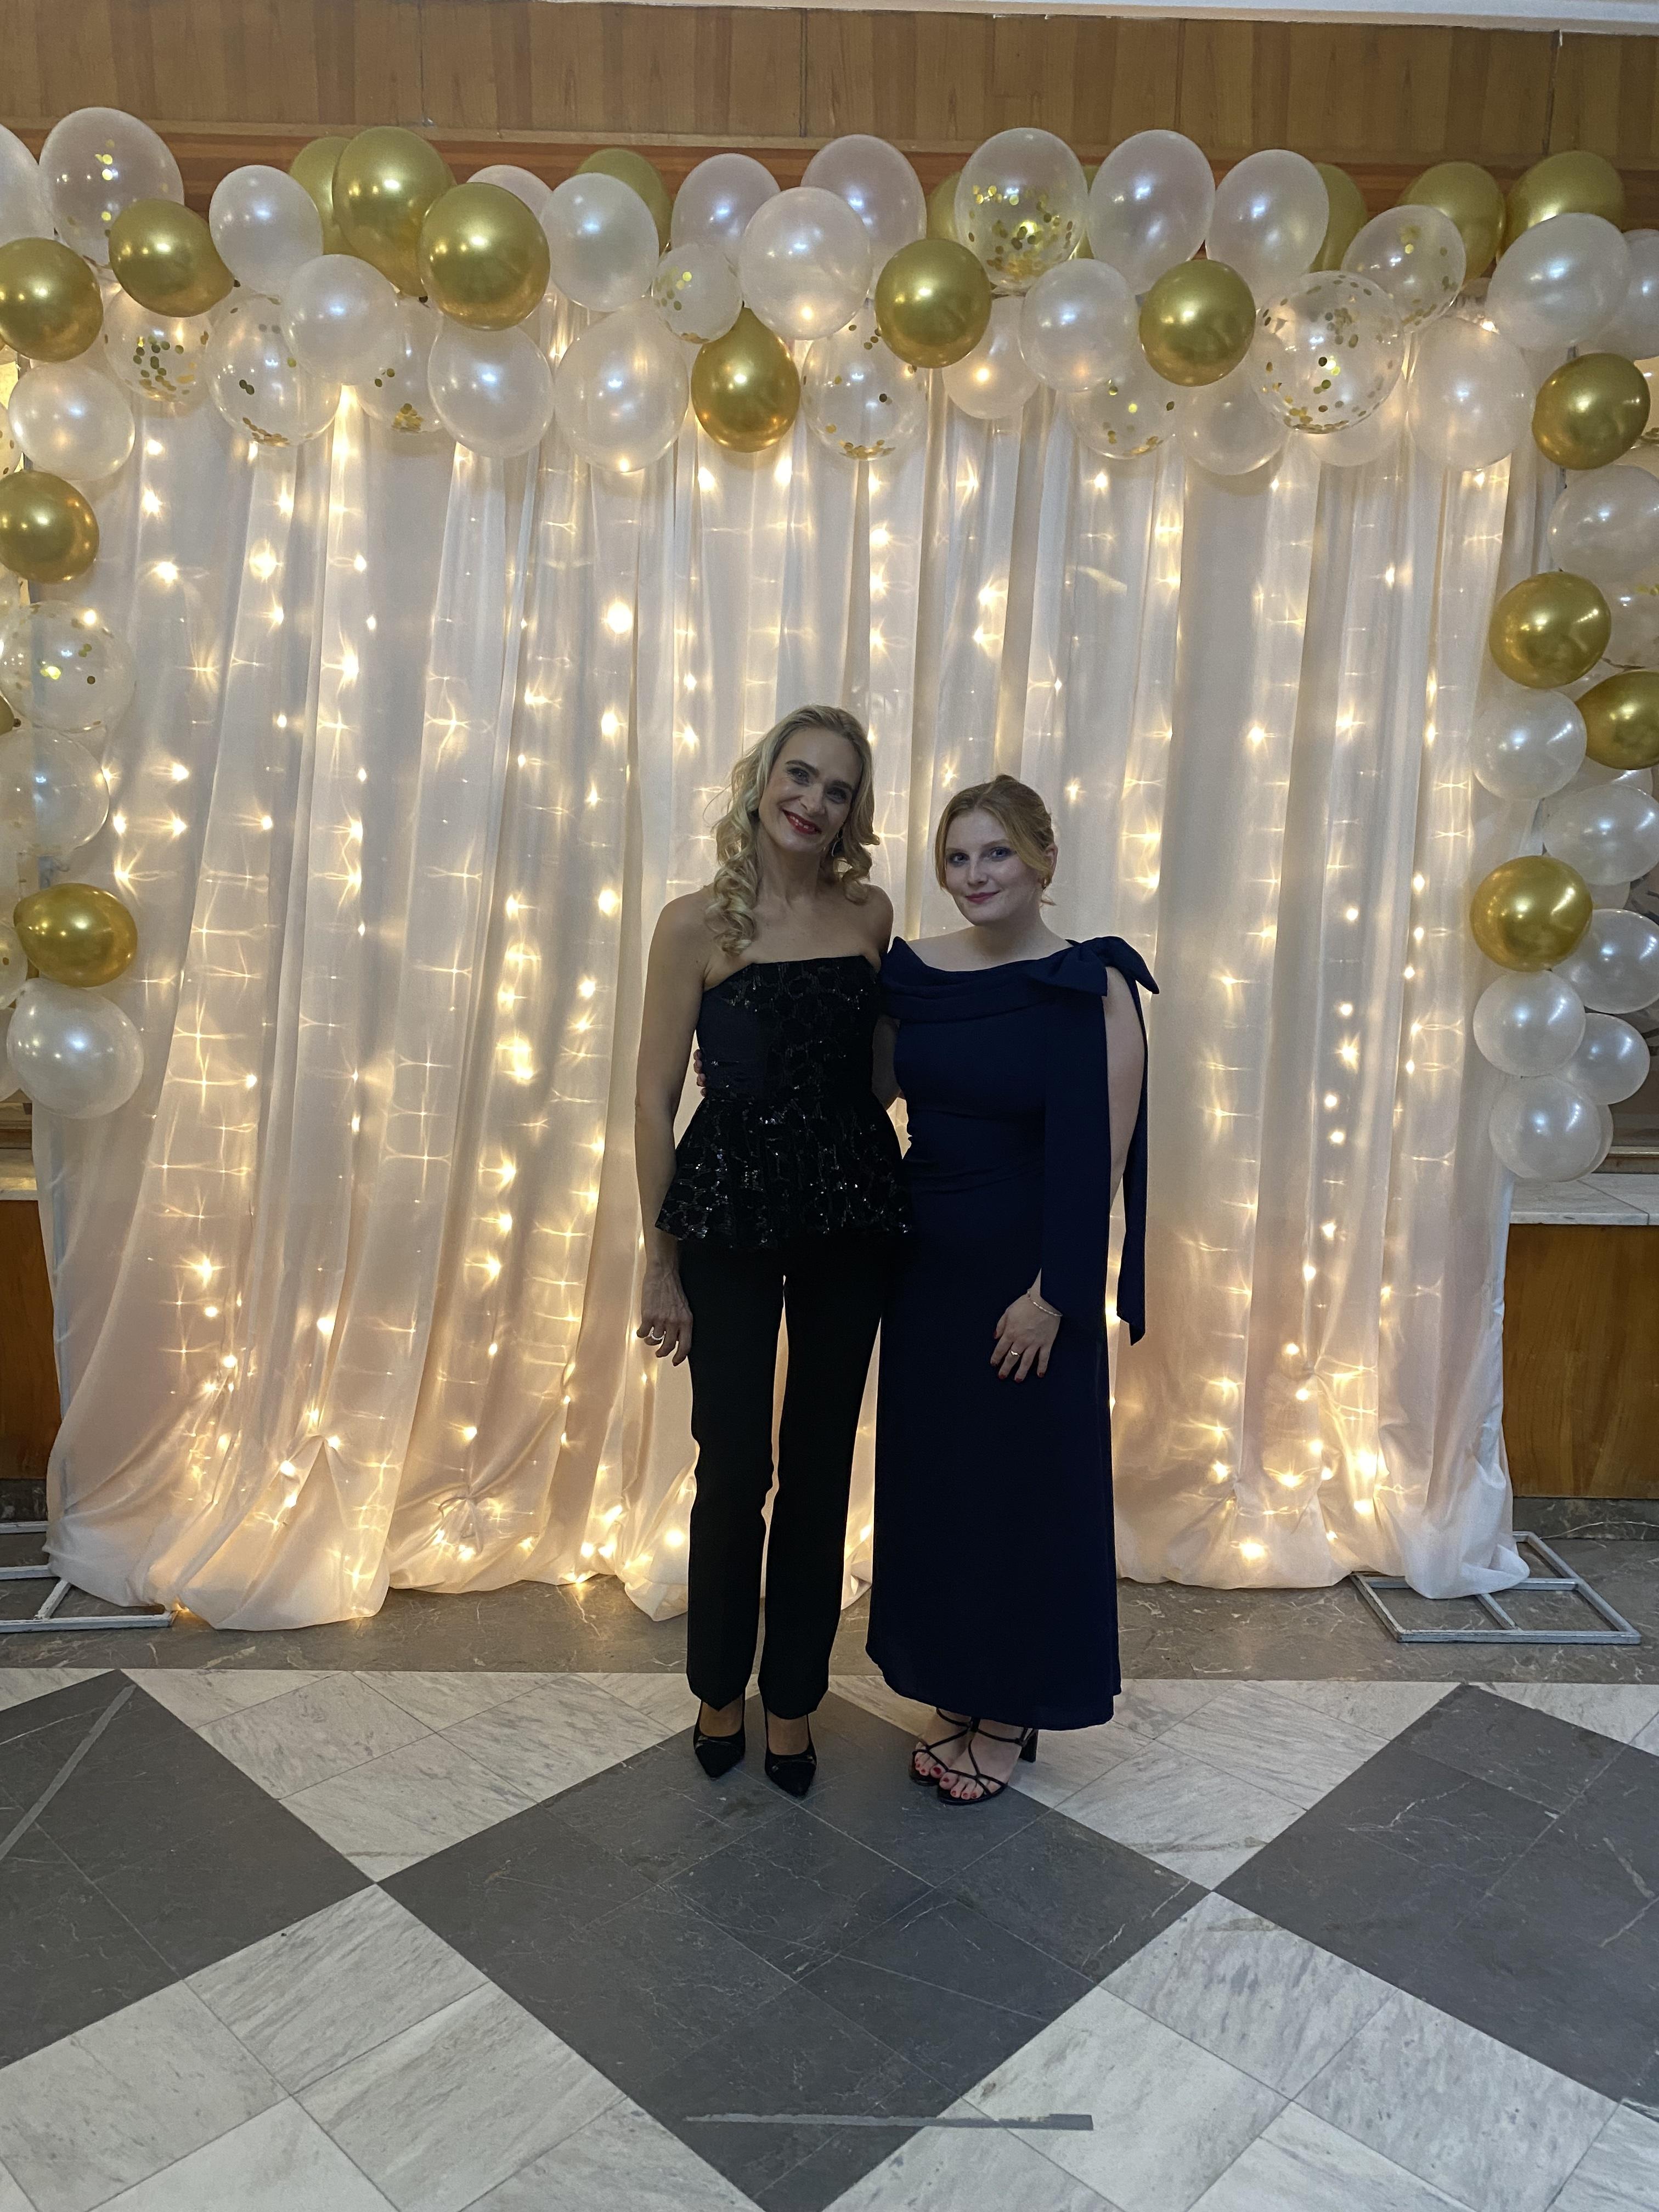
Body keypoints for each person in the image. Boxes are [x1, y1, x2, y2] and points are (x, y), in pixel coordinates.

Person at [634, 704, 906, 1798]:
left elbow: (878, 1076)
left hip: (850, 1209)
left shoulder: (870, 912)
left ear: (853, 812)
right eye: (801, 776)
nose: (814, 801)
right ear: (762, 782)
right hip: (729, 1211)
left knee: (821, 1466)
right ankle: (717, 1688)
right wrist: (659, 1261)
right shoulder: (692, 924)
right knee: (735, 1463)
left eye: (838, 789)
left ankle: (793, 1697)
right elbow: (652, 1098)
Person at [868, 775, 1153, 1805]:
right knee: (944, 1489)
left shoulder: (1093, 982)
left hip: (1031, 1288)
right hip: (926, 1277)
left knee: (1026, 1495)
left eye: (996, 853)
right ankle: (958, 1684)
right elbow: (866, 1096)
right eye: (957, 857)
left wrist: (1054, 1295)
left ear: (1043, 860)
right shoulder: (912, 974)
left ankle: (1012, 1705)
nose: (975, 874)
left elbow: (1103, 1157)